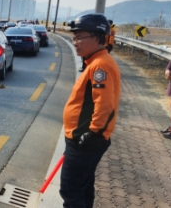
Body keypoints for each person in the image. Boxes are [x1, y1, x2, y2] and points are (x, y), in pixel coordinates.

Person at [60, 13, 121, 207]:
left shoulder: (100, 65)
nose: (75, 42)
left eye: (79, 37)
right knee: (83, 187)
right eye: (74, 38)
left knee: (70, 190)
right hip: (82, 138)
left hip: (85, 140)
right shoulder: (95, 62)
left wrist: (93, 133)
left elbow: (105, 105)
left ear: (97, 38)